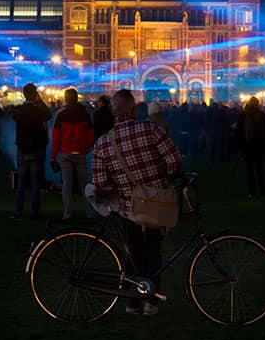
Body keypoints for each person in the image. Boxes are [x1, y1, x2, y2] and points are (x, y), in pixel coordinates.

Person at [91, 89, 182, 316]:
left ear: (113, 112)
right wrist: (162, 178)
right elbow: (174, 161)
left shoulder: (103, 144)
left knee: (132, 254)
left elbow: (101, 184)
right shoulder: (152, 130)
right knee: (153, 252)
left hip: (128, 208)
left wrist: (120, 187)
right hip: (155, 204)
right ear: (134, 109)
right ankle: (151, 302)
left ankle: (132, 302)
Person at [51, 88, 95, 220]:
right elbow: (90, 134)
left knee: (67, 185)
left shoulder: (61, 114)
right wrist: (87, 148)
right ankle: (90, 212)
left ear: (66, 98)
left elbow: (56, 137)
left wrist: (53, 157)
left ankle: (67, 213)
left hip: (66, 152)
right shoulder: (85, 114)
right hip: (81, 152)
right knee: (84, 185)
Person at [11, 84, 51, 219]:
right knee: (35, 183)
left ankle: (18, 212)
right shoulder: (38, 110)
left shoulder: (19, 110)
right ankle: (34, 212)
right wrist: (39, 100)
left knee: (21, 183)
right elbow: (48, 114)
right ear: (35, 94)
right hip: (37, 148)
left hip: (22, 148)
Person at [236, 96, 265, 199]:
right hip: (259, 144)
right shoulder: (262, 114)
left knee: (250, 170)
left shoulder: (243, 115)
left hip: (248, 145)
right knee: (260, 169)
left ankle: (252, 192)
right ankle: (262, 191)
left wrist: (240, 145)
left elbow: (239, 132)